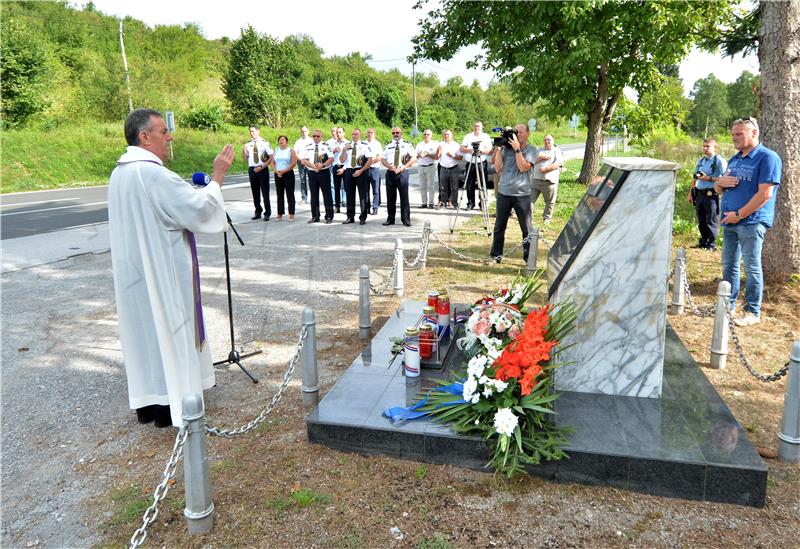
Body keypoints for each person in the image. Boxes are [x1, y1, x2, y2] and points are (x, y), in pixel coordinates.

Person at [108, 108, 234, 428]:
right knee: (170, 329)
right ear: (144, 137)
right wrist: (218, 175)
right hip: (162, 271)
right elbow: (199, 209)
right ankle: (174, 401)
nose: (169, 137)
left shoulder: (119, 173)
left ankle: (150, 401)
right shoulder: (154, 174)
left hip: (135, 273)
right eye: (163, 132)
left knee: (145, 334)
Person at [714, 117, 782, 327]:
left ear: (754, 133)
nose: (734, 138)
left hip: (751, 222)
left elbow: (765, 194)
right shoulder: (735, 159)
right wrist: (719, 183)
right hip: (730, 222)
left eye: (739, 134)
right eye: (733, 134)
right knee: (729, 266)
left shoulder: (767, 158)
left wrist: (740, 214)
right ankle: (729, 306)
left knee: (751, 267)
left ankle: (752, 311)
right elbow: (720, 189)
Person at [490, 123, 536, 262]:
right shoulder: (506, 149)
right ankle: (495, 255)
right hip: (504, 192)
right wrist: (499, 149)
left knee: (526, 228)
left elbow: (523, 167)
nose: (518, 134)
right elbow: (498, 169)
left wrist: (517, 149)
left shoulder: (532, 150)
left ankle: (528, 257)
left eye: (521, 132)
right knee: (499, 227)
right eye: (516, 132)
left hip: (522, 194)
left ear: (528, 134)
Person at [688, 138, 727, 250]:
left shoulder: (719, 161)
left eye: (708, 146)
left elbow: (724, 179)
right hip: (699, 193)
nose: (705, 149)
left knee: (711, 219)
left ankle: (711, 244)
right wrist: (691, 193)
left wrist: (708, 178)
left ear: (715, 147)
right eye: (704, 146)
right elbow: (695, 177)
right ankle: (703, 242)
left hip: (711, 193)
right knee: (701, 219)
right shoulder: (701, 161)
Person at [381, 127, 417, 227]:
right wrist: (389, 166)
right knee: (390, 197)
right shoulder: (388, 145)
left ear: (401, 133)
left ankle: (406, 219)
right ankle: (390, 219)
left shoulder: (408, 144)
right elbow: (383, 159)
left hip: (402, 173)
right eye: (393, 133)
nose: (395, 134)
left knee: (404, 197)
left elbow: (414, 157)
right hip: (390, 173)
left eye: (397, 132)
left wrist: (404, 167)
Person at [339, 127, 373, 225]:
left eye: (356, 134)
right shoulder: (347, 146)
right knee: (349, 194)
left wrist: (361, 170)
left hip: (361, 171)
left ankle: (363, 217)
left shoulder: (365, 145)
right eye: (353, 134)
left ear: (360, 135)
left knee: (363, 195)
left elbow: (370, 160)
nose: (354, 136)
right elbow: (341, 160)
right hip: (349, 170)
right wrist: (344, 150)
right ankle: (350, 217)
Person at [300, 129, 335, 223]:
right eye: (314, 136)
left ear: (321, 137)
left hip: (323, 172)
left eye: (318, 136)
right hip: (312, 172)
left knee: (327, 195)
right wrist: (313, 166)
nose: (316, 138)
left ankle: (329, 216)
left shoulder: (326, 146)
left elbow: (331, 158)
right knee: (314, 195)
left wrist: (322, 165)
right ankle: (315, 216)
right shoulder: (308, 146)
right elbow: (304, 160)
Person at [529, 134, 564, 224]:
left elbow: (558, 163)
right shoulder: (539, 150)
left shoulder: (556, 151)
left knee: (549, 202)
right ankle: (527, 216)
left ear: (553, 141)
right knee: (530, 200)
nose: (547, 142)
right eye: (545, 140)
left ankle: (546, 218)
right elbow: (531, 162)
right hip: (536, 180)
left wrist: (545, 169)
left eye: (549, 140)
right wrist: (540, 158)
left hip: (549, 182)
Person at [459, 121, 493, 210]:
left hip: (481, 162)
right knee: (469, 184)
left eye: (479, 126)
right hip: (470, 163)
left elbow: (489, 149)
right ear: (473, 127)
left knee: (482, 183)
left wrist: (480, 152)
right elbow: (461, 148)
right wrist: (470, 150)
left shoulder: (485, 136)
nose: (477, 128)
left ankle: (482, 203)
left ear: (482, 127)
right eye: (475, 126)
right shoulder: (468, 136)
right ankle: (470, 203)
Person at [243, 125, 273, 221]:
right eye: (250, 131)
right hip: (252, 169)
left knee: (265, 192)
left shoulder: (265, 143)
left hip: (262, 169)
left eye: (253, 131)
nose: (252, 133)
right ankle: (258, 211)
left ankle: (267, 213)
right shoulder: (248, 144)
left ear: (258, 131)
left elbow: (271, 157)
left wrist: (262, 167)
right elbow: (245, 159)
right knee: (255, 192)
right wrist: (243, 152)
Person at [270, 135, 298, 221]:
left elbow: (293, 163)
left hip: (288, 174)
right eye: (280, 140)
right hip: (278, 174)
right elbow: (272, 162)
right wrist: (276, 171)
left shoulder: (290, 150)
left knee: (290, 194)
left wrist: (284, 171)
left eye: (283, 140)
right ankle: (279, 214)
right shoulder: (276, 150)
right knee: (279, 194)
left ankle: (291, 213)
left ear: (286, 141)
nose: (281, 141)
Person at [437, 129, 461, 209]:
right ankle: (443, 203)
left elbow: (461, 157)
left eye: (448, 134)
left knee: (454, 187)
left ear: (452, 135)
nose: (446, 136)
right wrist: (438, 151)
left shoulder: (456, 145)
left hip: (453, 168)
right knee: (443, 187)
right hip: (443, 168)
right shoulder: (440, 144)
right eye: (445, 134)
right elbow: (436, 157)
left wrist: (453, 156)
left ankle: (454, 203)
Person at [415, 129, 439, 208]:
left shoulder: (434, 144)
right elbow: (415, 156)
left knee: (431, 186)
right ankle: (424, 203)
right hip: (421, 166)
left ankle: (431, 203)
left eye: (428, 134)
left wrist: (428, 154)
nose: (426, 136)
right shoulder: (419, 144)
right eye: (425, 134)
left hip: (430, 166)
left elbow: (436, 157)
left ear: (431, 136)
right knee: (422, 186)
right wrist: (419, 154)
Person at [329, 127, 349, 213]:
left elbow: (349, 158)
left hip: (345, 167)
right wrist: (333, 150)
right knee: (336, 187)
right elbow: (329, 154)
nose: (338, 134)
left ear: (344, 133)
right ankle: (337, 206)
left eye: (340, 132)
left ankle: (348, 205)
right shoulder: (333, 143)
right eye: (337, 132)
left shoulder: (348, 143)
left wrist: (344, 169)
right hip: (336, 166)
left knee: (347, 187)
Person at [364, 127, 383, 215]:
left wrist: (371, 162)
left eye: (371, 132)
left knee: (375, 190)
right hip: (365, 169)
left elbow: (380, 157)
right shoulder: (363, 143)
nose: (369, 134)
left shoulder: (377, 144)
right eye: (368, 132)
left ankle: (375, 207)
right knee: (365, 190)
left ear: (374, 134)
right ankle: (367, 207)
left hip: (375, 168)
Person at [293, 126, 313, 204]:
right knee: (303, 181)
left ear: (308, 132)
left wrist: (308, 161)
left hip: (310, 163)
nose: (304, 133)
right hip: (301, 162)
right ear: (300, 132)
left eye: (305, 131)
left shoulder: (312, 140)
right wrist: (301, 160)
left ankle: (313, 198)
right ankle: (304, 198)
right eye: (302, 131)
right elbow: (295, 153)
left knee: (312, 180)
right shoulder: (298, 141)